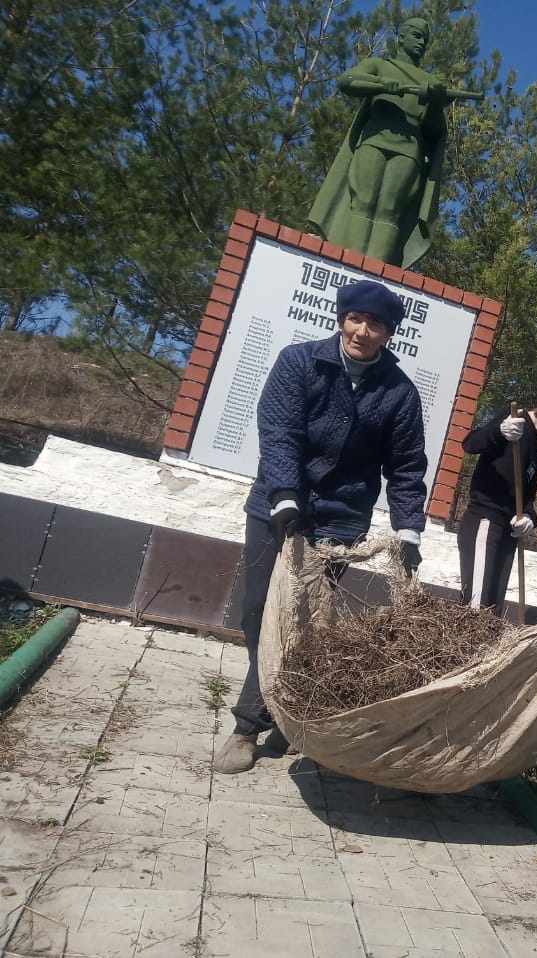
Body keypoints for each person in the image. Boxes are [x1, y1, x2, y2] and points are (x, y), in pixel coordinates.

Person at [212, 279, 428, 775]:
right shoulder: (299, 362)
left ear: (388, 333)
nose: (363, 331)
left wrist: (409, 531)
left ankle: (248, 726)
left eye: (375, 325)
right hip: (278, 506)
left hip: (340, 519)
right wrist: (285, 494)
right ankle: (282, 700)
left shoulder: (399, 393)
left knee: (296, 619)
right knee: (255, 611)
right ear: (341, 319)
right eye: (356, 319)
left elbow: (406, 467)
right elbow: (280, 431)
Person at [307, 17, 480, 268]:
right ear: (401, 37)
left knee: (390, 211)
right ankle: (350, 263)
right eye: (417, 35)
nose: (422, 42)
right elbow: (347, 81)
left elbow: (433, 131)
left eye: (425, 39)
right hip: (374, 142)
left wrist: (435, 104)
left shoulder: (429, 82)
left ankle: (377, 270)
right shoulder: (379, 65)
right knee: (364, 201)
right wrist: (381, 85)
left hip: (409, 150)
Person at [456, 393, 537, 610]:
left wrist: (530, 519)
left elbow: (527, 497)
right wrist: (499, 432)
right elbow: (470, 443)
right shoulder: (514, 418)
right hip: (484, 523)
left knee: (491, 611)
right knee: (474, 609)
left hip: (508, 534)